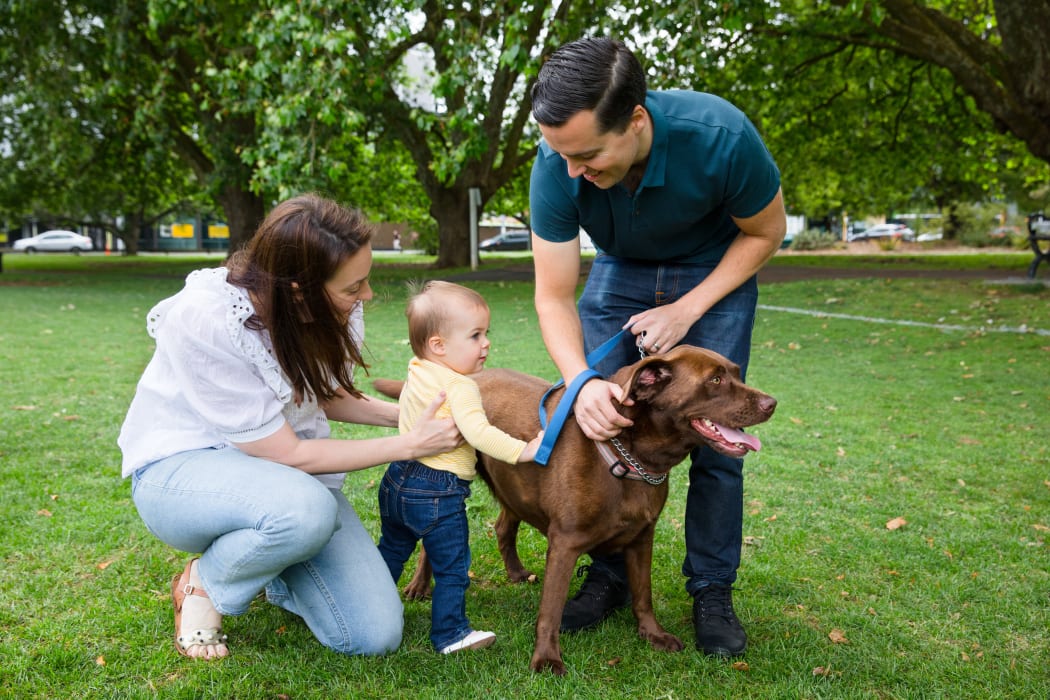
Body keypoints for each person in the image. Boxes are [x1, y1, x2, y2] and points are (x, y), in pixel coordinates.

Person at [118, 194, 463, 660]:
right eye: (354, 286)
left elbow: (322, 394)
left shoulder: (329, 307)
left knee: (372, 636)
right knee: (306, 511)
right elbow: (289, 454)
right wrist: (410, 443)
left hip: (280, 483)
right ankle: (206, 581)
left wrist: (409, 417)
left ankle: (274, 565)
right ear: (299, 290)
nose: (366, 295)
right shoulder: (209, 317)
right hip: (182, 474)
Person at [528, 37, 786, 657]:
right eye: (561, 154)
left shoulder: (722, 135)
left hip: (714, 269)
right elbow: (554, 296)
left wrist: (687, 308)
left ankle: (712, 590)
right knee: (607, 425)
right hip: (620, 267)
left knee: (717, 432)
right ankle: (609, 573)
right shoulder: (556, 163)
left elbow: (766, 231)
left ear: (636, 121)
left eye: (587, 154)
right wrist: (582, 381)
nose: (572, 171)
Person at [377, 281, 543, 654]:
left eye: (486, 333)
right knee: (452, 568)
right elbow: (480, 434)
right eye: (475, 336)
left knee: (392, 548)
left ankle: (371, 607)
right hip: (438, 492)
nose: (486, 343)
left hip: (397, 479)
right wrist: (524, 451)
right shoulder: (461, 387)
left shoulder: (417, 368)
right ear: (439, 345)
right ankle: (451, 633)